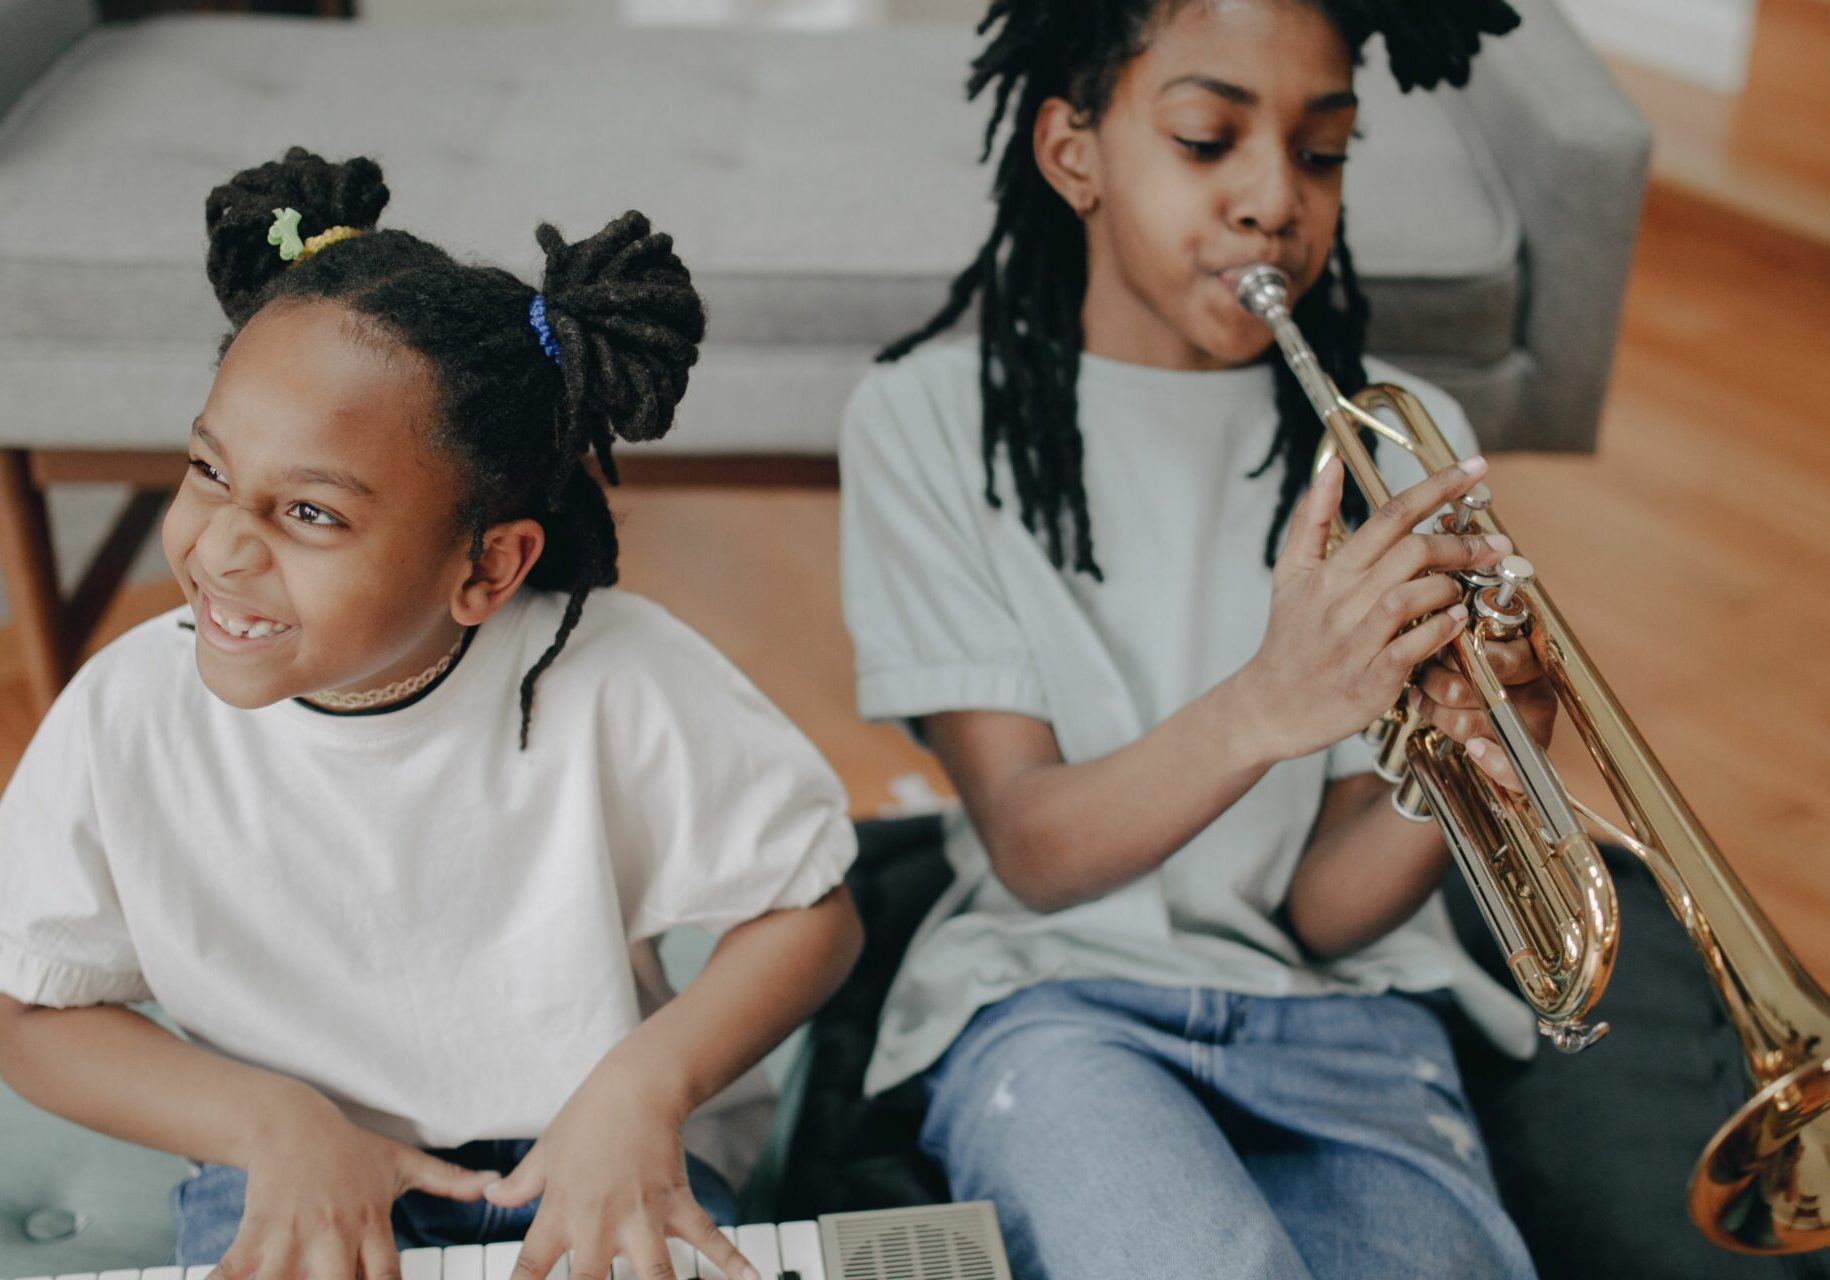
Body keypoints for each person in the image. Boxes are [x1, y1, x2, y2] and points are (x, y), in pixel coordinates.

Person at [0, 147, 862, 1280]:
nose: (217, 547)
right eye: (209, 469)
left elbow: (812, 912)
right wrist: (274, 1127)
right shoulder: (123, 714)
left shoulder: (617, 676)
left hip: (588, 1152)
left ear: (489, 569)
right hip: (292, 1160)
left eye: (309, 510)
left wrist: (642, 1087)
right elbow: (30, 1009)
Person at [838, 2, 1551, 1277]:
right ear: (1074, 155)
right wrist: (1272, 700)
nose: (1274, 198)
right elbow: (1039, 849)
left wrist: (1472, 757)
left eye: (1322, 152)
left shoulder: (1402, 438)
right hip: (1054, 997)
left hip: (1351, 1022)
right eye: (1207, 137)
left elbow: (1325, 914)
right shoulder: (924, 420)